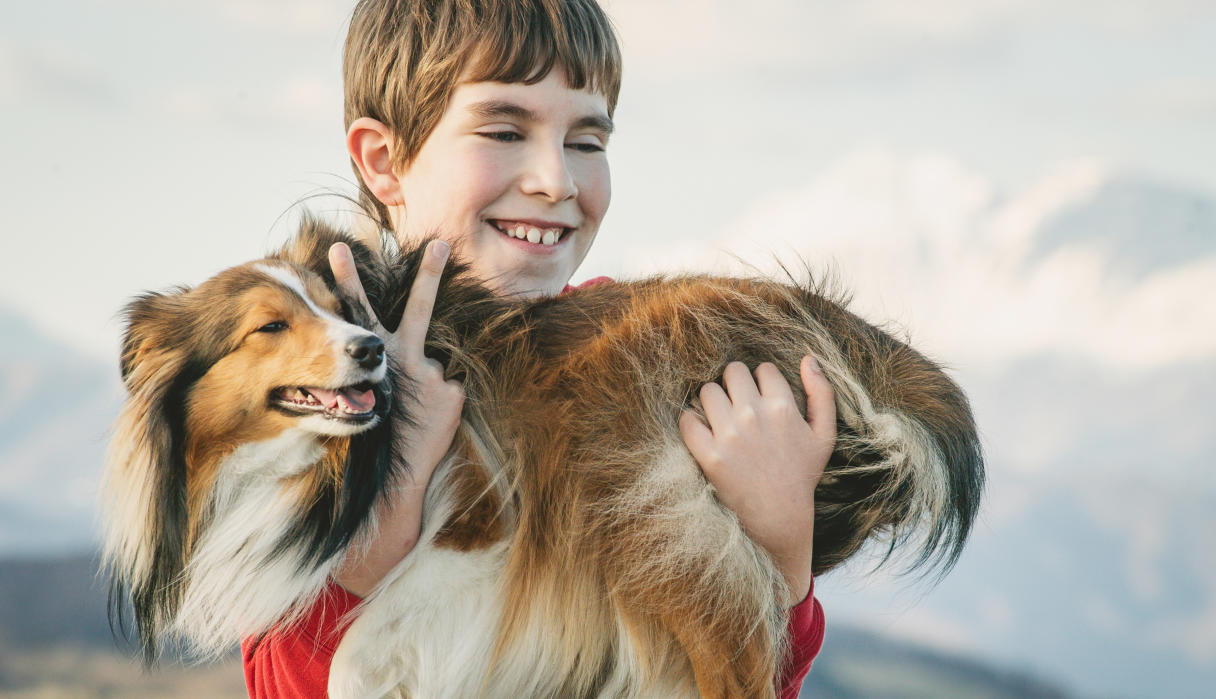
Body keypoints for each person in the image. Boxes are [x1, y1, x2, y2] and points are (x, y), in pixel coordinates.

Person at [243, 0, 833, 696]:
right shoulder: (308, 388)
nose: (555, 181)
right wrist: (383, 507)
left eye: (587, 142)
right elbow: (283, 682)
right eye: (503, 130)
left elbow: (731, 679)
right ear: (384, 160)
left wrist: (782, 547)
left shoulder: (647, 366)